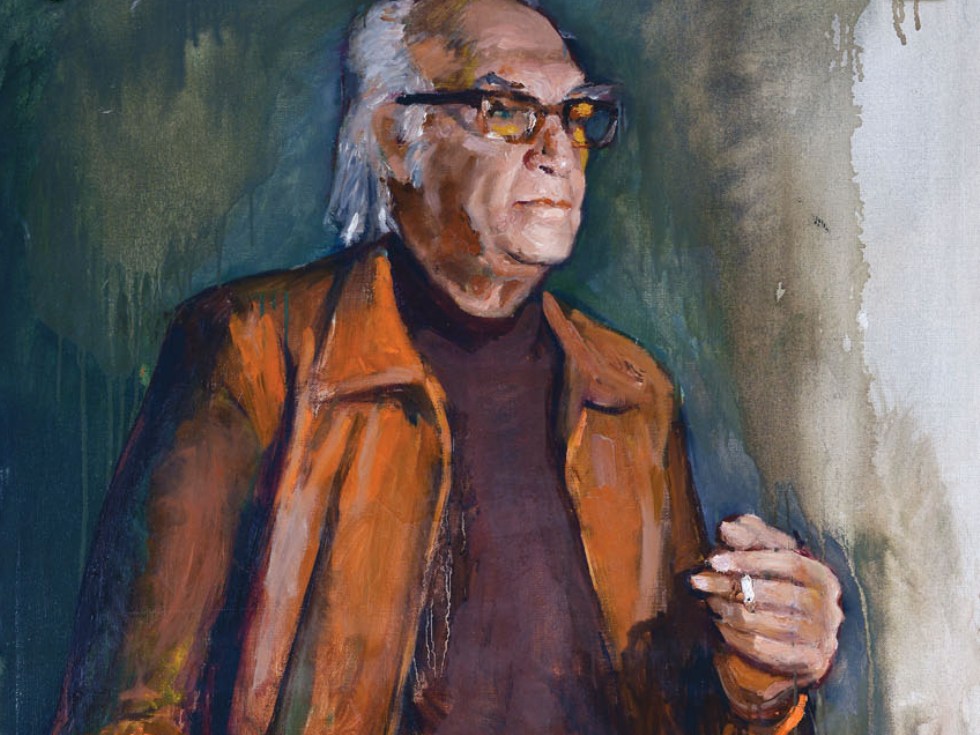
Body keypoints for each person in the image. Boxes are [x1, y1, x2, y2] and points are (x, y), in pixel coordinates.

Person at [52, 1, 844, 733]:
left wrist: (763, 675)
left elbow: (679, 714)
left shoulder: (632, 393)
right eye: (507, 110)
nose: (557, 151)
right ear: (396, 140)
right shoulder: (253, 349)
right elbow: (133, 707)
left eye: (576, 114)